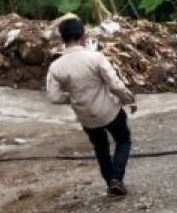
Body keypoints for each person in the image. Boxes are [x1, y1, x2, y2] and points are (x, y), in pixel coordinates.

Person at [45, 17, 136, 196]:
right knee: (123, 139)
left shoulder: (55, 67)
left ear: (62, 39)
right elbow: (115, 85)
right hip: (108, 111)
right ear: (83, 36)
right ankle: (117, 178)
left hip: (85, 116)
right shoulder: (95, 57)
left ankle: (110, 181)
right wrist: (128, 99)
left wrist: (73, 98)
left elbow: (54, 97)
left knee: (100, 148)